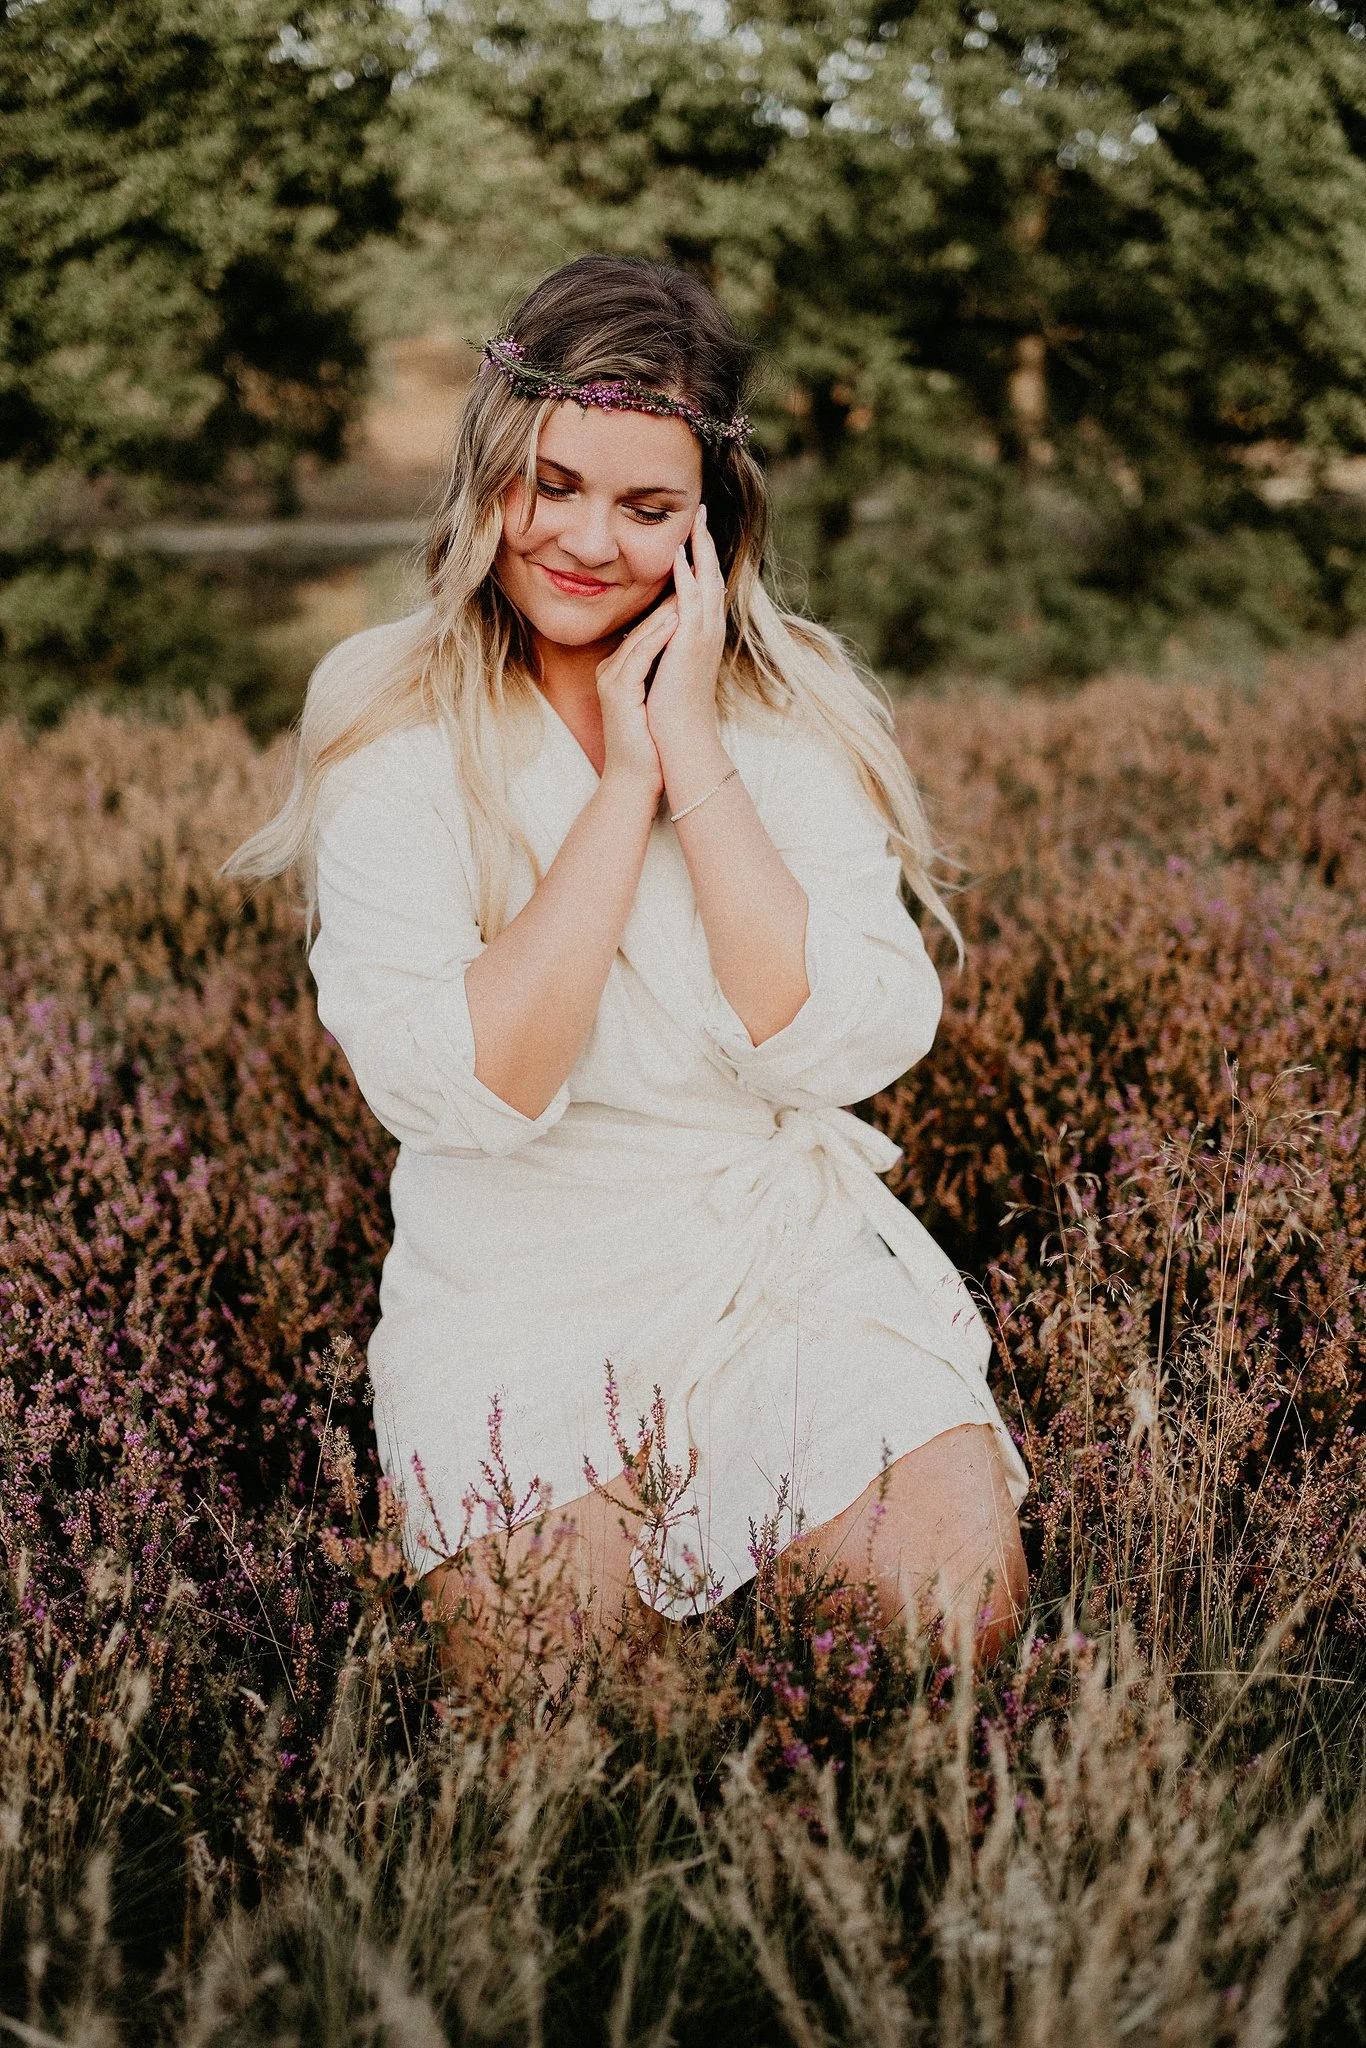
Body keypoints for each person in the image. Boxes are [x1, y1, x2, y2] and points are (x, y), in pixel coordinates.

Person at [225, 254, 1029, 1683]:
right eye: (551, 485)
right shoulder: (392, 722)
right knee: (569, 1712)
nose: (587, 541)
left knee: (951, 1640)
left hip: (777, 1257)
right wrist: (622, 789)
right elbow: (475, 1088)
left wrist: (694, 747)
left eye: (648, 509)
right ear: (488, 479)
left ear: (710, 522)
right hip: (515, 1281)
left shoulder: (793, 719)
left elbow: (842, 1043)